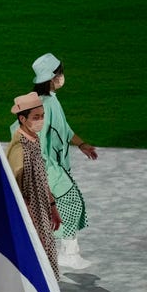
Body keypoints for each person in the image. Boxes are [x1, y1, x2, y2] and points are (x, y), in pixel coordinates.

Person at [31, 52, 99, 269]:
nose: (62, 77)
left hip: (54, 165)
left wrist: (81, 144)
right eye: (60, 73)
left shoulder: (51, 100)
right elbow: (38, 141)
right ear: (52, 77)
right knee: (71, 203)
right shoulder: (44, 105)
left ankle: (67, 252)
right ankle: (66, 253)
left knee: (66, 206)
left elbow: (65, 129)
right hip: (48, 166)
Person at [7, 92, 62, 279]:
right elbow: (16, 190)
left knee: (45, 257)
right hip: (30, 215)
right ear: (22, 119)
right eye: (36, 117)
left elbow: (41, 177)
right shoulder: (19, 149)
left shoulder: (33, 139)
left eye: (42, 116)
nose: (41, 121)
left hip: (41, 211)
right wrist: (30, 226)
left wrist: (52, 206)